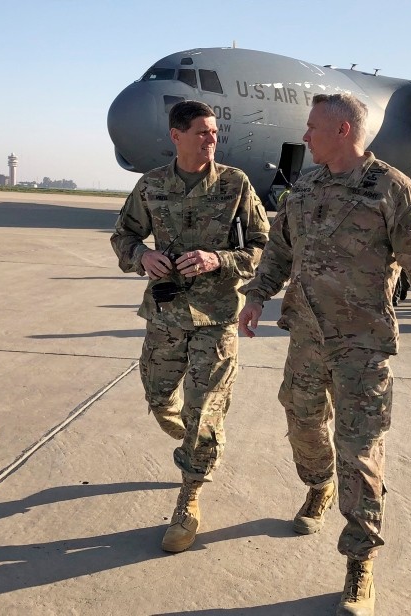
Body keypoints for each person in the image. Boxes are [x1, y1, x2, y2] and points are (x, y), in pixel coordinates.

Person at [238, 93, 411, 616]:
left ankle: (360, 559)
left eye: (313, 127)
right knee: (301, 424)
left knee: (359, 451)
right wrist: (255, 296)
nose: (305, 135)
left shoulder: (390, 187)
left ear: (342, 130)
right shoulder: (306, 185)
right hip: (307, 338)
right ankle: (317, 484)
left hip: (362, 344)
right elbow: (280, 250)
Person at [110, 100, 269, 554]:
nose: (211, 138)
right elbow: (123, 234)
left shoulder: (236, 184)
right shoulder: (152, 186)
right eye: (202, 132)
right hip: (165, 315)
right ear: (176, 136)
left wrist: (218, 258)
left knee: (204, 412)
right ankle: (198, 434)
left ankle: (190, 496)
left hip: (217, 317)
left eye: (214, 132)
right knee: (160, 399)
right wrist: (142, 256)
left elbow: (263, 246)